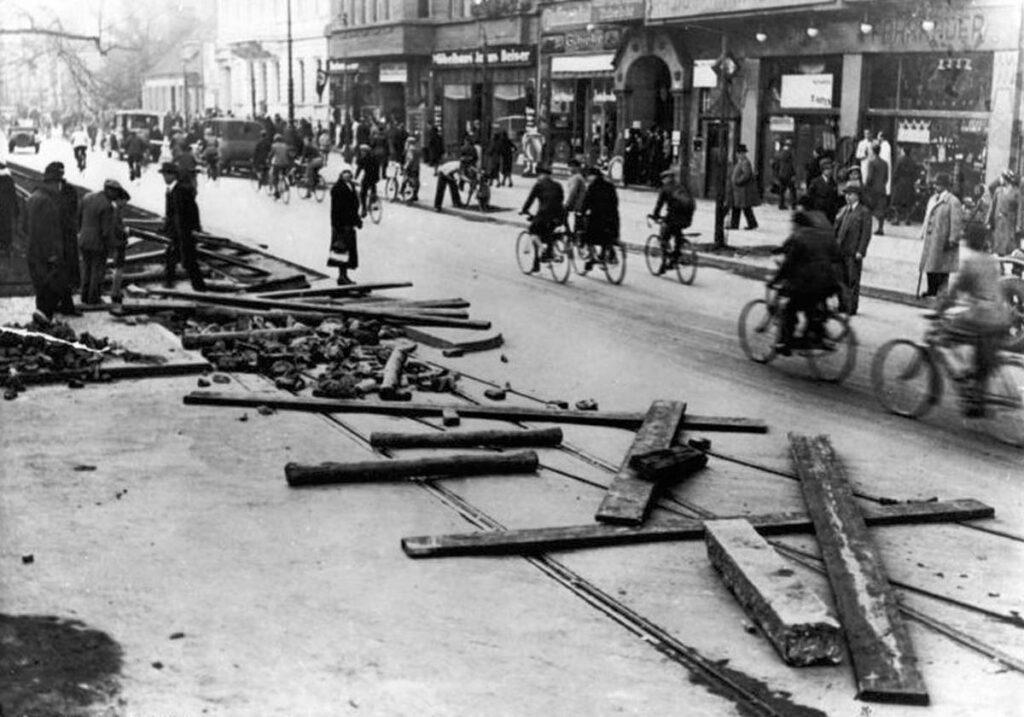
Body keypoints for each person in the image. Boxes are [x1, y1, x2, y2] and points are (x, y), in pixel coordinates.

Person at [935, 226, 1012, 417]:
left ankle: (962, 376)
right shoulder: (992, 261)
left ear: (967, 241)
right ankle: (976, 396)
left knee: (944, 337)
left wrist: (939, 310)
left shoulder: (970, 263)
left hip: (982, 317)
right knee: (981, 353)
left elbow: (954, 294)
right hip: (1001, 316)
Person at [771, 198, 842, 355]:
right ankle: (818, 335)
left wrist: (774, 281)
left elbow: (788, 264)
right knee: (811, 307)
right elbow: (837, 255)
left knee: (790, 308)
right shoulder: (821, 233)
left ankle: (785, 343)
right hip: (829, 282)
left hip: (809, 284)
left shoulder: (799, 236)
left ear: (796, 224)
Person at [23, 162, 69, 323]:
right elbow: (50, 232)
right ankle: (44, 321)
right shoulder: (48, 201)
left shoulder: (32, 198)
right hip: (47, 254)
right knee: (51, 288)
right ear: (56, 183)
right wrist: (53, 255)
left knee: (40, 287)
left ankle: (41, 320)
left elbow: (24, 226)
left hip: (32, 251)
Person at [77, 179, 129, 305]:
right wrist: (116, 244)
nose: (116, 196)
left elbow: (79, 217)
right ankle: (94, 299)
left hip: (84, 240)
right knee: (97, 271)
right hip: (98, 243)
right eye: (115, 192)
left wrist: (82, 232)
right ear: (109, 191)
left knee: (86, 269)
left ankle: (84, 296)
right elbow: (106, 231)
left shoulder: (87, 197)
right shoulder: (107, 206)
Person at [159, 162, 206, 291]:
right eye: (163, 175)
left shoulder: (181, 190)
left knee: (189, 260)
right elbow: (170, 213)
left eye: (166, 175)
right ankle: (169, 283)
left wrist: (195, 228)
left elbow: (193, 210)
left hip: (185, 231)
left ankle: (200, 288)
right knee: (171, 257)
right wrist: (166, 227)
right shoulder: (170, 190)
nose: (164, 178)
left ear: (173, 175)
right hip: (175, 231)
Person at [919, 173, 963, 298]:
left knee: (943, 267)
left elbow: (956, 222)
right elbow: (927, 216)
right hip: (932, 237)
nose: (935, 186)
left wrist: (953, 239)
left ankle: (942, 292)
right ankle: (931, 290)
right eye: (935, 184)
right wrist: (923, 231)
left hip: (943, 239)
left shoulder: (953, 201)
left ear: (945, 186)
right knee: (930, 265)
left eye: (938, 184)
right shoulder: (933, 199)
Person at [834, 182, 874, 315]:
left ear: (857, 196)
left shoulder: (864, 212)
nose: (847, 197)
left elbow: (866, 234)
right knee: (841, 279)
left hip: (853, 251)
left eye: (850, 194)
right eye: (846, 195)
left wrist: (861, 251)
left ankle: (851, 307)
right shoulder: (844, 210)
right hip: (841, 250)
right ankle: (842, 305)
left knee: (852, 280)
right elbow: (837, 229)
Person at [520, 164, 565, 273]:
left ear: (541, 175)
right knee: (548, 233)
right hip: (559, 215)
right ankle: (540, 262)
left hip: (544, 214)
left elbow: (530, 199)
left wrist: (524, 210)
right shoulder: (558, 185)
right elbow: (561, 199)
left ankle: (542, 248)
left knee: (533, 232)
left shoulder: (539, 185)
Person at [650, 168, 696, 274]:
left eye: (663, 179)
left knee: (664, 237)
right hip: (687, 218)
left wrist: (655, 216)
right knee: (677, 233)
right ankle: (676, 254)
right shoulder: (681, 187)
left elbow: (659, 205)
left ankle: (664, 264)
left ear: (665, 179)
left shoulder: (665, 189)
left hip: (673, 218)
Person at [579, 166, 620, 271]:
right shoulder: (610, 185)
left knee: (588, 235)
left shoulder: (592, 187)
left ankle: (591, 258)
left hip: (597, 217)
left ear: (594, 176)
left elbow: (586, 202)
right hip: (612, 217)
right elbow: (615, 201)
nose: (588, 178)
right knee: (607, 236)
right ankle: (605, 256)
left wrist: (581, 212)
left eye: (589, 176)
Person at [328, 167, 362, 285]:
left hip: (349, 224)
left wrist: (357, 220)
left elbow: (354, 206)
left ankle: (344, 276)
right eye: (344, 172)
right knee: (341, 251)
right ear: (340, 175)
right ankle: (342, 276)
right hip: (341, 224)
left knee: (347, 251)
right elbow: (335, 209)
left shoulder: (351, 186)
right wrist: (336, 225)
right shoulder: (337, 188)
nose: (347, 174)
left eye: (348, 172)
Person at [987, 170, 1021, 256]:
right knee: (997, 246)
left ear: (1006, 179)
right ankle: (1000, 266)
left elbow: (1019, 210)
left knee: (1009, 248)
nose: (1000, 179)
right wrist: (989, 220)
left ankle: (1012, 267)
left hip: (1009, 223)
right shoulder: (998, 190)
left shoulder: (1016, 192)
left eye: (1002, 177)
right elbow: (992, 206)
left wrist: (1018, 225)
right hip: (998, 222)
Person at [728, 144, 759, 230]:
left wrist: (738, 181)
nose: (738, 155)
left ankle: (749, 224)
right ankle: (748, 224)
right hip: (739, 190)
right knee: (740, 207)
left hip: (742, 190)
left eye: (739, 153)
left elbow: (747, 175)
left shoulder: (745, 162)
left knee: (742, 208)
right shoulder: (741, 162)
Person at [805, 158, 842, 224]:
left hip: (831, 212)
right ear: (822, 170)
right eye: (827, 169)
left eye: (831, 169)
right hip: (819, 211)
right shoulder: (815, 182)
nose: (829, 171)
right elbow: (809, 197)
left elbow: (835, 198)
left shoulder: (833, 183)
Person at [864, 144, 889, 235]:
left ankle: (868, 228)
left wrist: (866, 187)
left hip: (873, 189)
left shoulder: (871, 162)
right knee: (881, 208)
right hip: (882, 188)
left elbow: (869, 177)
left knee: (870, 208)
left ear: (873, 151)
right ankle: (880, 228)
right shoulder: (885, 163)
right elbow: (886, 177)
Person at [891, 146, 919, 225]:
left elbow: (896, 172)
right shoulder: (912, 162)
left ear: (903, 151)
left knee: (897, 202)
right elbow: (915, 174)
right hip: (909, 183)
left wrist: (894, 181)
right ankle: (907, 219)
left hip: (900, 183)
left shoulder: (900, 160)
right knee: (908, 202)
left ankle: (897, 219)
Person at [355, 143, 381, 217]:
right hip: (375, 177)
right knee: (373, 188)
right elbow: (378, 168)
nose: (362, 153)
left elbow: (359, 169)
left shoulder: (363, 159)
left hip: (368, 177)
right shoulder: (374, 158)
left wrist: (355, 177)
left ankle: (364, 209)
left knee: (363, 193)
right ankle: (374, 201)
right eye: (362, 151)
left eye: (363, 151)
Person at [563, 159, 587, 234]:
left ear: (577, 168)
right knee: (578, 225)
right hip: (579, 206)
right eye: (569, 166)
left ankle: (569, 233)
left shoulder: (576, 178)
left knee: (563, 215)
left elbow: (573, 192)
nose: (569, 168)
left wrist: (567, 204)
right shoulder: (578, 177)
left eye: (571, 166)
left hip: (578, 205)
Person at [0, 159, 18, 257]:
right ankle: (6, 247)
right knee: (6, 227)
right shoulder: (9, 179)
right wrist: (16, 209)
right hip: (6, 208)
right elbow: (13, 196)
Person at [772, 140, 796, 210]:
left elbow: (776, 164)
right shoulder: (790, 153)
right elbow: (792, 165)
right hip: (789, 174)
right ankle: (793, 205)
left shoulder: (780, 153)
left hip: (781, 174)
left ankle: (781, 204)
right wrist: (794, 174)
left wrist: (776, 174)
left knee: (782, 190)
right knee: (792, 190)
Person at [269, 133, 293, 198]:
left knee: (275, 176)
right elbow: (289, 155)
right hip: (286, 164)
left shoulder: (274, 146)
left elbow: (271, 155)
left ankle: (276, 191)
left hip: (277, 164)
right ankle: (286, 185)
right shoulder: (285, 146)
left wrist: (268, 161)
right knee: (285, 174)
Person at [402, 136, 421, 202]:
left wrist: (405, 167)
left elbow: (410, 159)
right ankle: (415, 195)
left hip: (411, 167)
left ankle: (404, 192)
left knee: (407, 180)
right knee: (416, 181)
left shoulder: (410, 150)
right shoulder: (417, 149)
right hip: (416, 167)